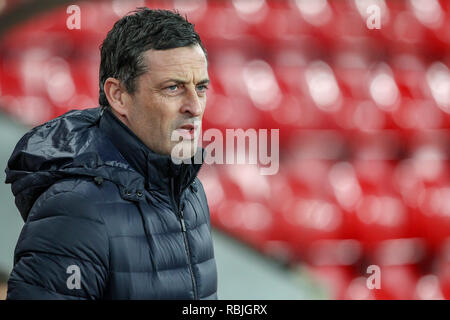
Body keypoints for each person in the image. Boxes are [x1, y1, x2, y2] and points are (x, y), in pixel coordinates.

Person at [4, 8, 217, 300]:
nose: (195, 106)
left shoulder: (189, 188)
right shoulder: (75, 209)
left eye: (201, 88)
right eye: (173, 88)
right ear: (118, 95)